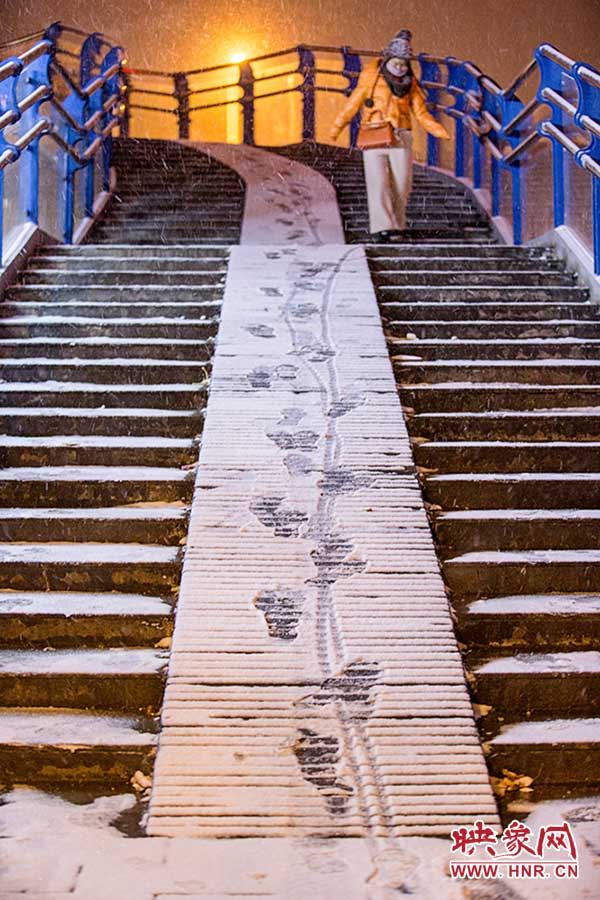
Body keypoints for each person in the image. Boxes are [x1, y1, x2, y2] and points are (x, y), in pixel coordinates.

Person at [329, 29, 450, 243]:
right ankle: (383, 228)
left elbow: (421, 113)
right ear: (387, 60)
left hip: (401, 136)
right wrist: (337, 127)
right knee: (378, 183)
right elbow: (352, 104)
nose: (400, 68)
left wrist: (437, 129)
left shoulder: (410, 84)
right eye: (397, 63)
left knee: (402, 185)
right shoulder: (371, 78)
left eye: (404, 64)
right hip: (375, 133)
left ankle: (397, 225)